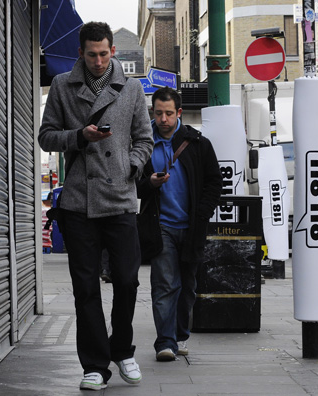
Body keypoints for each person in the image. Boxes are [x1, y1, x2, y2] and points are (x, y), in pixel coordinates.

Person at [38, 22, 153, 391]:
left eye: (105, 53)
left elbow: (144, 139)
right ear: (80, 53)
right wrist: (78, 137)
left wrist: (130, 166)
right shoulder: (61, 86)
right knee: (85, 287)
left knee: (127, 280)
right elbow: (46, 136)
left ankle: (122, 350)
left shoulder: (132, 88)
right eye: (92, 54)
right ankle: (95, 365)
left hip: (119, 198)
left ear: (113, 51)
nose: (99, 60)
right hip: (78, 202)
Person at [136, 87, 222, 362]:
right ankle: (165, 342)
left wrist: (203, 213)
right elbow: (130, 184)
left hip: (192, 226)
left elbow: (214, 182)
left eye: (169, 114)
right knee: (164, 284)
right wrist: (149, 184)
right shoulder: (142, 143)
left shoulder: (197, 143)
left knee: (188, 286)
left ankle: (180, 334)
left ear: (179, 113)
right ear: (152, 111)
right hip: (160, 225)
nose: (163, 119)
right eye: (158, 113)